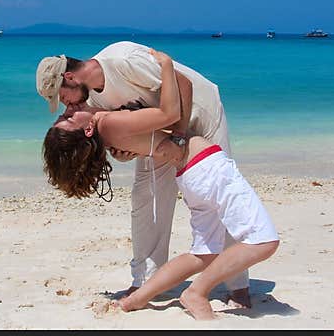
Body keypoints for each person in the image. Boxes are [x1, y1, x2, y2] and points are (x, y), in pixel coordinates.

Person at [42, 48, 279, 320]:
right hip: (192, 154)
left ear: (70, 78)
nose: (66, 107)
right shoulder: (89, 102)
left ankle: (237, 287)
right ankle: (150, 283)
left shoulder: (123, 62)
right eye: (65, 111)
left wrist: (175, 136)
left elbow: (184, 85)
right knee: (146, 200)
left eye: (62, 98)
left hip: (200, 113)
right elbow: (117, 132)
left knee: (213, 233)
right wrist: (127, 151)